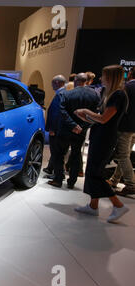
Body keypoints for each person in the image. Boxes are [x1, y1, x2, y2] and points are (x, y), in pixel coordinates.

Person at [74, 65, 129, 222]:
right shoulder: (110, 94)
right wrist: (86, 117)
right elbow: (100, 119)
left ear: (110, 77)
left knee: (94, 173)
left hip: (105, 139)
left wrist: (86, 111)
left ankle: (118, 205)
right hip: (100, 136)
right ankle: (93, 206)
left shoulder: (118, 95)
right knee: (92, 171)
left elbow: (104, 118)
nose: (100, 78)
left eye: (103, 76)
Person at [48, 73, 100, 189]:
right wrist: (82, 126)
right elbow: (96, 114)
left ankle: (58, 179)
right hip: (81, 131)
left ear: (75, 80)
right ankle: (72, 182)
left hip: (65, 129)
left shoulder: (67, 93)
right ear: (86, 81)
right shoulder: (95, 95)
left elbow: (62, 111)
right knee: (76, 155)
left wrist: (73, 125)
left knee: (59, 154)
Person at [108, 67, 135, 195]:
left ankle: (131, 184)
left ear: (130, 73)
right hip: (133, 128)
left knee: (123, 155)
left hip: (125, 127)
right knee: (125, 155)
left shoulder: (126, 88)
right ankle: (114, 179)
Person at [43, 75, 67, 176]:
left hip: (57, 130)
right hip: (60, 129)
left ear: (57, 82)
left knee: (57, 153)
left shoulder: (60, 94)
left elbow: (57, 113)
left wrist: (52, 129)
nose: (51, 85)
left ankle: (58, 176)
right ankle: (54, 172)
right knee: (57, 153)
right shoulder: (63, 93)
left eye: (52, 83)